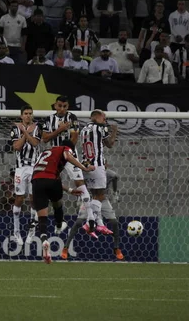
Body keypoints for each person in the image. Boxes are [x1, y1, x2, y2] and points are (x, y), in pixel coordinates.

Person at [62, 109, 123, 261]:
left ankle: (115, 247)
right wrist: (114, 131)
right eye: (104, 117)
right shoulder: (100, 128)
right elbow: (109, 144)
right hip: (96, 167)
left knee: (114, 221)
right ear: (98, 117)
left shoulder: (84, 129)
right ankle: (91, 226)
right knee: (96, 200)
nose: (106, 120)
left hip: (87, 166)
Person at [31, 140, 95, 263]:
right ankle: (59, 224)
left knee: (42, 216)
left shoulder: (46, 152)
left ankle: (44, 240)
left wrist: (70, 190)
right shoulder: (65, 149)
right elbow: (67, 156)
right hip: (52, 180)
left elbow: (47, 175)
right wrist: (84, 168)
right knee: (57, 203)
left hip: (36, 180)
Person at [41, 96, 93, 239]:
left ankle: (91, 219)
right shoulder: (48, 119)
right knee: (49, 185)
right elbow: (45, 138)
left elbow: (74, 138)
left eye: (65, 106)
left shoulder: (73, 117)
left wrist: (66, 150)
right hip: (54, 156)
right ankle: (57, 221)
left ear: (68, 105)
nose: (62, 109)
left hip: (69, 154)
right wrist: (60, 129)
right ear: (55, 106)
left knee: (80, 183)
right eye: (60, 106)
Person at [10, 106, 42, 245]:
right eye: (26, 114)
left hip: (34, 167)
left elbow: (35, 143)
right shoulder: (15, 129)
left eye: (30, 113)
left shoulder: (37, 128)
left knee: (33, 199)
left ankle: (31, 231)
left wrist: (26, 132)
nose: (28, 116)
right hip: (20, 168)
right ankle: (16, 232)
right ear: (21, 115)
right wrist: (24, 133)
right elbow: (16, 146)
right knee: (19, 198)